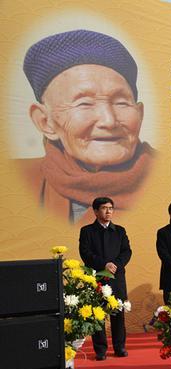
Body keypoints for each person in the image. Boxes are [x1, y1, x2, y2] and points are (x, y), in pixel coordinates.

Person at [21, 29, 154, 224]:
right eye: (84, 104)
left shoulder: (164, 174)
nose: (109, 121)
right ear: (45, 122)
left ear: (139, 114)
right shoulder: (18, 179)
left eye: (121, 102)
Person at [79, 197, 131, 360]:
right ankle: (100, 350)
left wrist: (115, 265)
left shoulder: (120, 230)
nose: (108, 211)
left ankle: (119, 347)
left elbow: (126, 252)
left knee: (117, 313)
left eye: (110, 208)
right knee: (98, 314)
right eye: (104, 208)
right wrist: (104, 265)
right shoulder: (87, 231)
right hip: (97, 277)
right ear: (95, 211)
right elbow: (85, 253)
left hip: (117, 277)